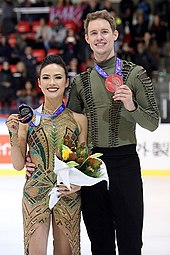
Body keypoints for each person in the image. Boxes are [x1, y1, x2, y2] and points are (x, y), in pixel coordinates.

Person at [26, 10, 160, 255]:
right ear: (87, 38)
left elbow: (153, 123)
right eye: (94, 33)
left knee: (131, 243)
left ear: (115, 35)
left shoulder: (136, 74)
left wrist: (131, 105)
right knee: (100, 243)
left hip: (125, 164)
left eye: (104, 32)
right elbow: (68, 129)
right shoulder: (79, 82)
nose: (100, 37)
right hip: (90, 165)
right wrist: (36, 156)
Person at [6, 54, 88, 255]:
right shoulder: (28, 119)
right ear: (39, 83)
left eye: (58, 77)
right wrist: (13, 133)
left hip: (67, 193)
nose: (52, 82)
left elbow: (83, 160)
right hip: (35, 194)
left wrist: (79, 182)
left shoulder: (79, 120)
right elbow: (18, 165)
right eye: (47, 77)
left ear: (66, 81)